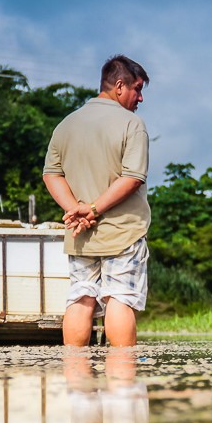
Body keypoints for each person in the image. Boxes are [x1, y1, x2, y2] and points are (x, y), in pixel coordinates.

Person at [43, 55, 151, 346]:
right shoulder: (132, 124)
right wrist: (91, 209)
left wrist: (74, 211)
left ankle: (76, 381)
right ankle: (121, 382)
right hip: (123, 232)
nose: (140, 98)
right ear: (119, 86)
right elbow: (132, 177)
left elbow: (51, 174)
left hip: (80, 233)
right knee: (120, 298)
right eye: (137, 89)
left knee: (81, 297)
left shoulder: (66, 125)